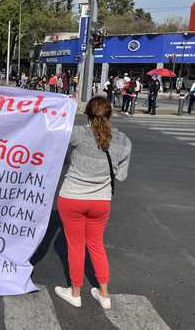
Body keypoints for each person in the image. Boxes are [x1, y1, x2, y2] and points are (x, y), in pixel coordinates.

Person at [55, 96, 132, 309]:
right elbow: (122, 176)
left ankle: (75, 292)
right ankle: (105, 294)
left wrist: (64, 104)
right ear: (110, 115)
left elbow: (54, 128)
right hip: (100, 202)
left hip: (72, 198)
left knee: (75, 245)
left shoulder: (78, 134)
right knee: (96, 244)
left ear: (87, 115)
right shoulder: (124, 141)